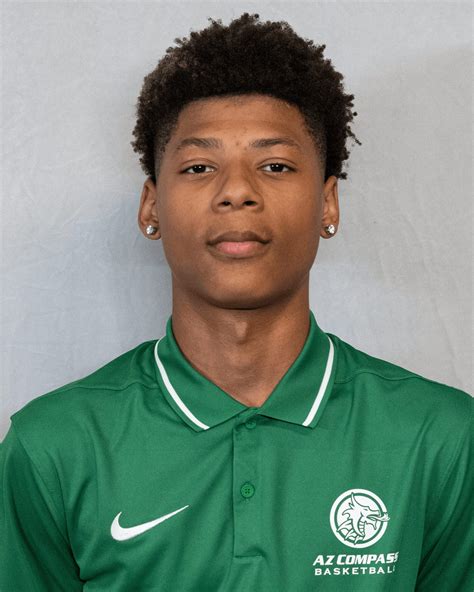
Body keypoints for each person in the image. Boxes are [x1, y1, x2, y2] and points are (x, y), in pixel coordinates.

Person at [0, 12, 472, 592]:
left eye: (275, 166)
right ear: (151, 206)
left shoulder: (442, 439)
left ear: (328, 204)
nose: (238, 191)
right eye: (200, 167)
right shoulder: (53, 447)